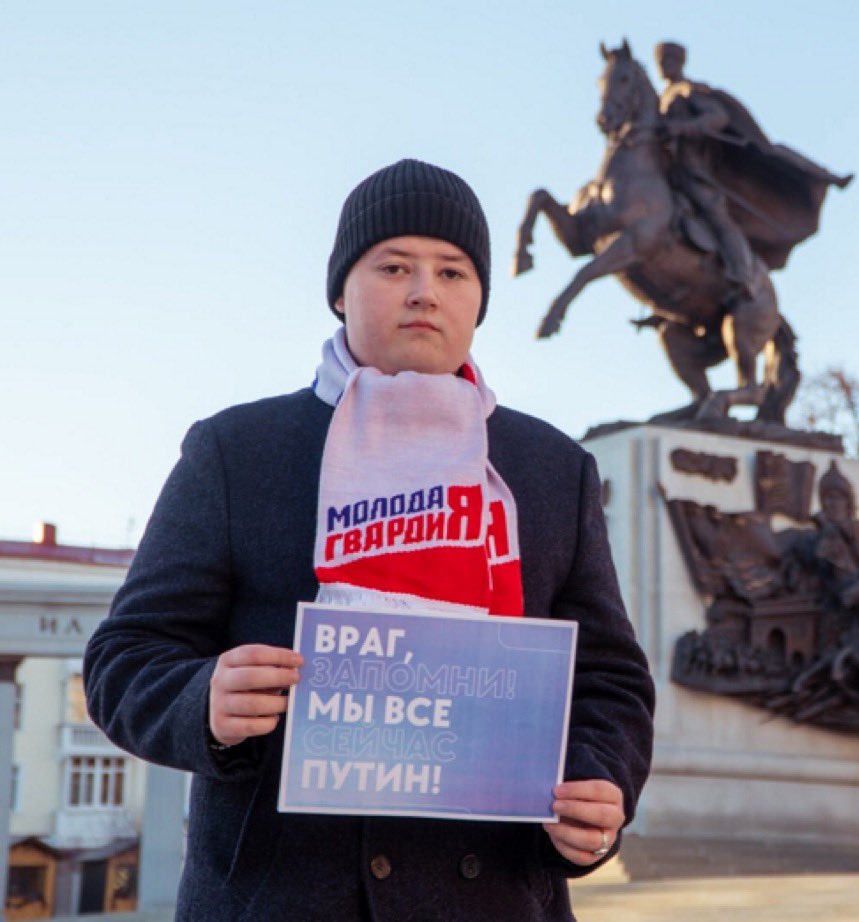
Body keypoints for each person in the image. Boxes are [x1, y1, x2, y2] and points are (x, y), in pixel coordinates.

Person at [82, 159, 656, 921]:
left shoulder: (551, 469)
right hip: (279, 898)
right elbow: (125, 659)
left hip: (499, 898)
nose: (426, 290)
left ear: (478, 300)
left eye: (453, 272)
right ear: (340, 291)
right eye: (393, 266)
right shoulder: (237, 450)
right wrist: (203, 702)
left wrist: (595, 786)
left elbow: (610, 680)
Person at [654, 40, 760, 298]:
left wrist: (683, 127)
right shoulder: (658, 100)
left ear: (678, 63)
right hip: (666, 170)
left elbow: (717, 117)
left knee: (716, 216)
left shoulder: (688, 90)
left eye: (667, 61)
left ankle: (743, 275)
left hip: (693, 169)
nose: (663, 67)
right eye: (660, 63)